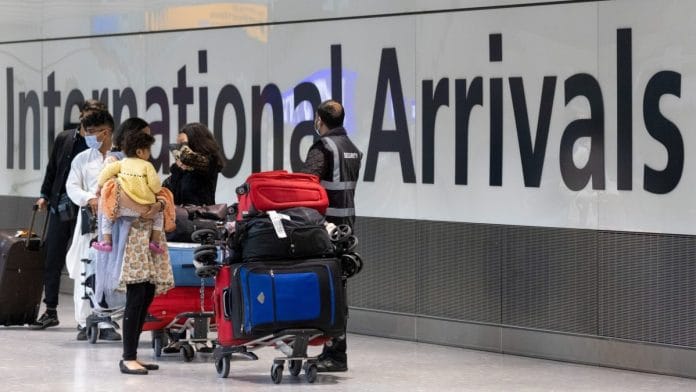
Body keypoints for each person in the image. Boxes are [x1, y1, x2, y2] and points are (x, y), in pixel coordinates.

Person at [95, 117, 175, 375]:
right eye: (145, 138)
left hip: (147, 237)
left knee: (147, 294)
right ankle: (128, 356)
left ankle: (134, 354)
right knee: (137, 295)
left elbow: (160, 193)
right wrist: (147, 208)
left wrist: (157, 206)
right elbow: (111, 202)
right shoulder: (115, 166)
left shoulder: (143, 168)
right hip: (130, 238)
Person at [299, 99, 363, 372]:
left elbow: (306, 184)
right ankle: (336, 350)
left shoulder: (324, 147)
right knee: (339, 287)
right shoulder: (352, 149)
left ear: (319, 120)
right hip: (346, 226)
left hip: (325, 228)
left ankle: (335, 353)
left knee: (327, 288)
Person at [31, 99, 106, 330]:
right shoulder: (65, 138)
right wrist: (44, 194)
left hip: (86, 210)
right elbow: (52, 168)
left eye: (95, 117)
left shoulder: (99, 146)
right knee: (52, 256)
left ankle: (90, 314)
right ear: (81, 116)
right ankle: (51, 309)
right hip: (61, 205)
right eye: (87, 117)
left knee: (87, 259)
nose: (89, 124)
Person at [64, 109, 122, 341]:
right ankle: (84, 320)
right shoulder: (82, 159)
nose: (87, 136)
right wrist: (90, 198)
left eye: (91, 132)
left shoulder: (122, 158)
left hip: (115, 224)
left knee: (110, 270)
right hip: (89, 221)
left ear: (105, 132)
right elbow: (72, 186)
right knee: (85, 267)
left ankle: (108, 321)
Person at [94, 131, 164, 254]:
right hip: (144, 207)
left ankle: (106, 241)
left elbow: (105, 173)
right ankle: (154, 241)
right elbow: (155, 185)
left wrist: (99, 187)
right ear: (139, 152)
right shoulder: (147, 165)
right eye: (148, 150)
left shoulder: (121, 163)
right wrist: (157, 192)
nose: (149, 154)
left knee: (106, 213)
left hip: (121, 207)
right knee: (159, 216)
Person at [163, 122, 224, 206]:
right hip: (181, 215)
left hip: (200, 216)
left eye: (183, 143)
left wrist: (183, 144)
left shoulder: (209, 161)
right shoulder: (180, 167)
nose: (179, 147)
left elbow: (187, 158)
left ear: (194, 142)